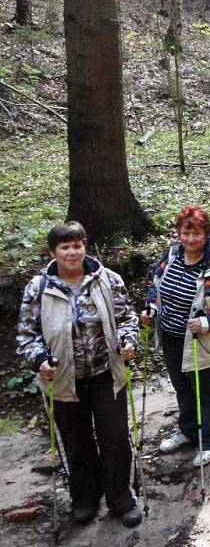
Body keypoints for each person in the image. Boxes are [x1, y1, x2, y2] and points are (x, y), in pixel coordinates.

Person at [16, 222, 142, 527]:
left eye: (77, 245)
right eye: (64, 247)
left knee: (115, 438)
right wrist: (38, 360)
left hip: (106, 376)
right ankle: (85, 499)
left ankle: (120, 499)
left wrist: (128, 341)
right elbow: (26, 336)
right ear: (53, 251)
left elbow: (128, 317)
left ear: (85, 246)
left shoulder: (107, 279)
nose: (72, 252)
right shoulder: (38, 288)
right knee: (76, 441)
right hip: (63, 379)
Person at [141, 206, 210, 466]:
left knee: (206, 391)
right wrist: (152, 307)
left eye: (196, 233)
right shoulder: (173, 255)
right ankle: (187, 430)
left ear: (206, 233)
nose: (190, 239)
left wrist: (208, 321)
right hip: (172, 337)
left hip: (202, 340)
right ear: (179, 234)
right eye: (185, 233)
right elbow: (155, 284)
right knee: (182, 387)